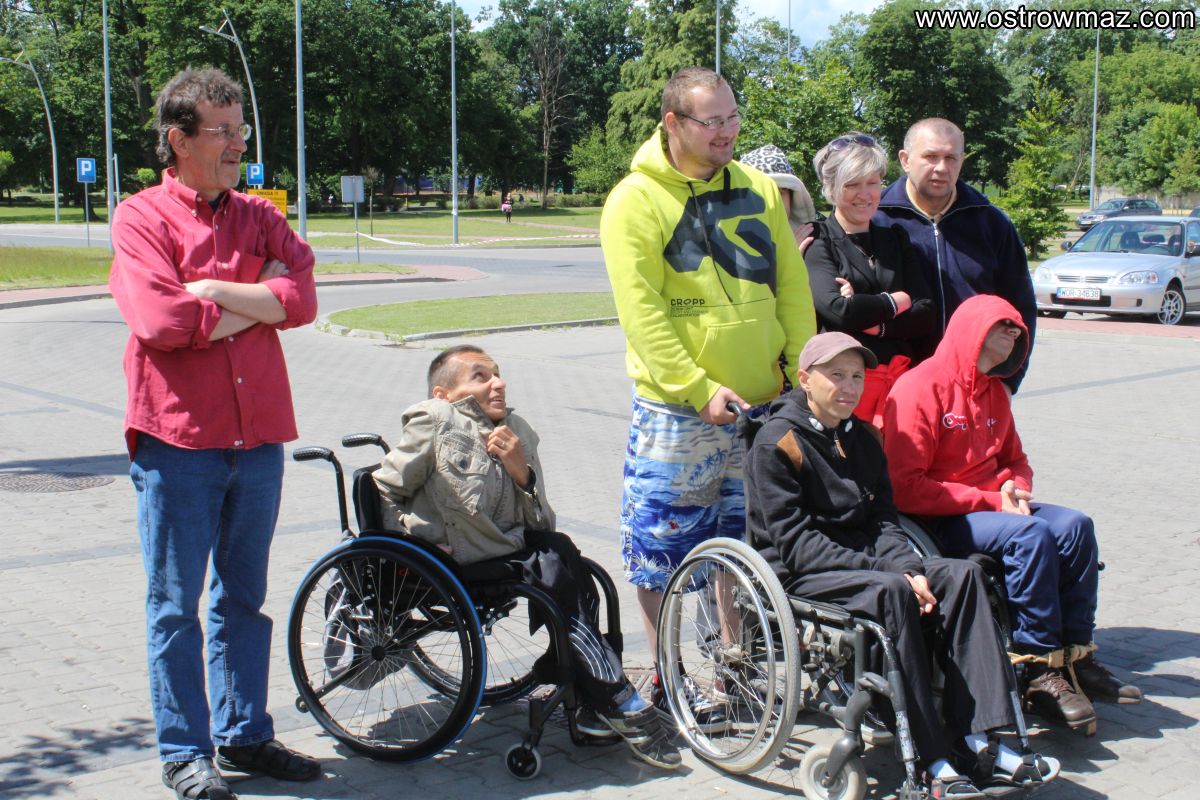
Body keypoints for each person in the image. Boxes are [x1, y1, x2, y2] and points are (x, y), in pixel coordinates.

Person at [109, 68, 320, 800]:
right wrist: (259, 302)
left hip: (257, 439)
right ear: (179, 140)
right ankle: (184, 752)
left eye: (240, 129)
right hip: (178, 443)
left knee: (244, 600)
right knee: (176, 606)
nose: (238, 145)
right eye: (222, 131)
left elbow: (303, 295)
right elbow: (160, 321)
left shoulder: (258, 215)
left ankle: (245, 735)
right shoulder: (139, 218)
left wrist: (213, 292)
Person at [745, 332, 1060, 798]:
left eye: (857, 377)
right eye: (836, 376)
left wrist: (910, 566)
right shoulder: (778, 443)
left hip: (870, 563)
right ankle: (932, 757)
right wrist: (894, 574)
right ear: (806, 379)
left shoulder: (862, 440)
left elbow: (885, 522)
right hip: (805, 569)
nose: (849, 387)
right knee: (893, 592)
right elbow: (797, 544)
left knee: (963, 575)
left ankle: (981, 739)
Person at [600, 66, 816, 716]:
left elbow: (792, 288)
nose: (727, 132)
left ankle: (733, 669)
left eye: (732, 117)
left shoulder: (756, 188)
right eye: (711, 121)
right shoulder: (634, 200)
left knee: (739, 548)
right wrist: (696, 388)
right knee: (660, 554)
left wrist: (803, 371)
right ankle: (668, 677)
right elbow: (643, 316)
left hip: (760, 408)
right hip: (677, 414)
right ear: (673, 123)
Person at [372, 346, 681, 770]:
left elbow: (541, 522)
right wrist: (415, 545)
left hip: (507, 551)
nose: (497, 383)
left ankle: (587, 691)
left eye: (498, 374)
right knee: (551, 567)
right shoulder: (436, 419)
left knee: (566, 553)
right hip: (456, 559)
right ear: (443, 394)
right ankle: (616, 696)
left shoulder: (515, 429)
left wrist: (521, 472)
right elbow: (383, 490)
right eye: (480, 376)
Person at [883, 294, 1142, 734]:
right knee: (1031, 535)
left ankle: (1077, 655)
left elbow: (1016, 460)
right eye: (1003, 325)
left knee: (1076, 526)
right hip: (940, 517)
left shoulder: (994, 392)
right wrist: (991, 500)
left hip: (994, 506)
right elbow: (905, 488)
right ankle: (1036, 668)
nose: (1014, 333)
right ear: (972, 330)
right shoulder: (918, 387)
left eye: (1017, 329)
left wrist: (1016, 487)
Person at [874, 118, 1037, 393]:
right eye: (931, 156)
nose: (941, 168)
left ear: (961, 161)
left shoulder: (992, 223)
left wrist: (1008, 382)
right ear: (905, 160)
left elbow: (1020, 308)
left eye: (951, 158)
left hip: (976, 386)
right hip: (896, 386)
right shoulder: (877, 220)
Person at [804, 132, 937, 428]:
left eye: (872, 183)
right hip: (845, 390)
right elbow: (839, 311)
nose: (865, 194)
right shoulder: (818, 240)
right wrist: (896, 301)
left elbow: (926, 313)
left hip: (901, 385)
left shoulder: (896, 239)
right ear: (831, 187)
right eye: (852, 184)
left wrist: (875, 323)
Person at [738, 144, 817, 247]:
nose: (771, 204)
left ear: (792, 198)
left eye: (779, 193)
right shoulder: (728, 245)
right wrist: (792, 253)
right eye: (760, 194)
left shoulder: (817, 241)